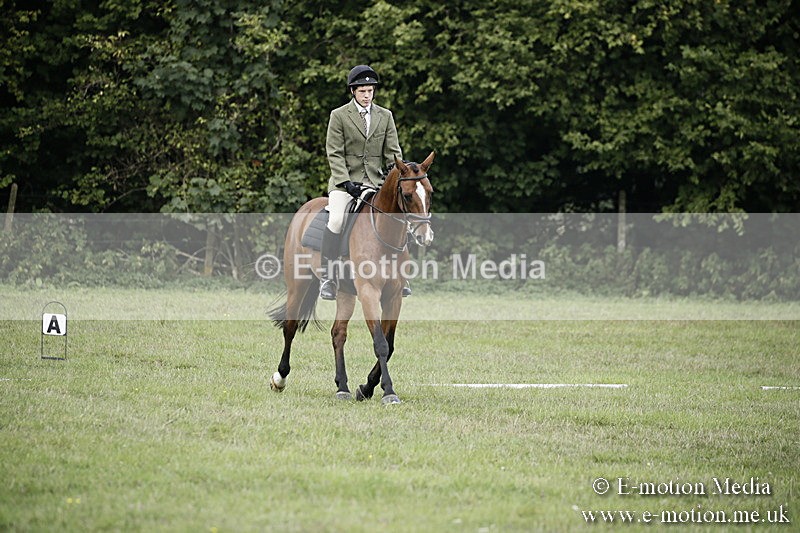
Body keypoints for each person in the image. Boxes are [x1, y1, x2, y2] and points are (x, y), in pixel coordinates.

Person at [319, 64, 403, 300]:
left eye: (371, 91)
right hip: (345, 183)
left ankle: (400, 276)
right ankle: (328, 276)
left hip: (376, 183)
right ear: (353, 91)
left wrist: (394, 175)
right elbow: (334, 153)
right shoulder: (339, 116)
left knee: (400, 216)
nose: (368, 96)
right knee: (336, 219)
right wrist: (345, 182)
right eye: (363, 91)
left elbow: (393, 153)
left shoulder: (385, 116)